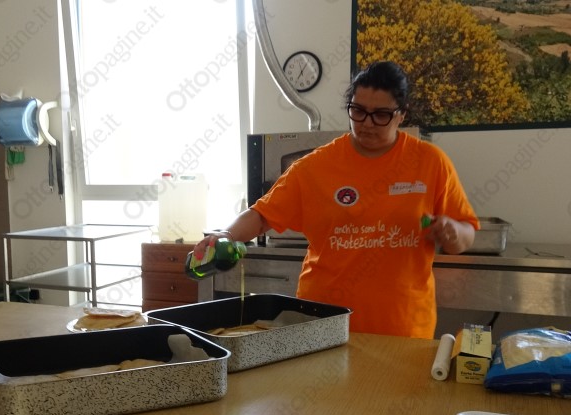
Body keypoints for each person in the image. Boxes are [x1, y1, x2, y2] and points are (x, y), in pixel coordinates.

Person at [194, 61, 479, 339]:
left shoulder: (430, 162)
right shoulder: (316, 166)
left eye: (380, 115)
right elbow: (261, 216)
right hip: (324, 321)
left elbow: (465, 235)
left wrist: (453, 232)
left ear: (402, 114)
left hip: (403, 324)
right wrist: (226, 235)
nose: (367, 123)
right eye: (358, 111)